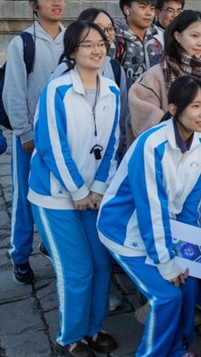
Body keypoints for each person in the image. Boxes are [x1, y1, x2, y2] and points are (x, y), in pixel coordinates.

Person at [97, 75, 201, 357]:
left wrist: (187, 254)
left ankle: (179, 347)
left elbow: (191, 203)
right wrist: (167, 263)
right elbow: (151, 208)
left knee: (190, 284)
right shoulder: (152, 145)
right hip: (125, 229)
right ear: (174, 109)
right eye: (195, 106)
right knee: (166, 296)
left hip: (166, 228)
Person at [28, 21, 120, 357]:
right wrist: (78, 191)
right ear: (71, 52)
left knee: (100, 264)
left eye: (100, 43)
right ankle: (71, 337)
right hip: (55, 196)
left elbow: (112, 144)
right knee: (76, 268)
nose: (97, 50)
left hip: (92, 196)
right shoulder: (58, 90)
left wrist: (96, 189)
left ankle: (94, 329)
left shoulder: (112, 90)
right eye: (87, 45)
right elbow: (53, 145)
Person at [4, 0, 65, 285]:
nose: (56, 3)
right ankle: (19, 255)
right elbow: (13, 91)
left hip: (65, 136)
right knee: (24, 198)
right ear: (33, 5)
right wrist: (24, 132)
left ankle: (55, 247)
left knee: (60, 196)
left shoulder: (74, 40)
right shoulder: (23, 43)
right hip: (31, 137)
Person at [127, 10, 201, 147]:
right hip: (159, 156)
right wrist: (182, 141)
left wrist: (200, 145)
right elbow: (144, 119)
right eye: (194, 36)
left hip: (200, 157)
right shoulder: (155, 75)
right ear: (177, 36)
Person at [53, 8, 128, 157]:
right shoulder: (60, 80)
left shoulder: (115, 69)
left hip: (104, 159)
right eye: (100, 29)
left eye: (110, 28)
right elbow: (53, 138)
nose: (106, 34)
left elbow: (121, 118)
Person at [113, 0, 163, 86]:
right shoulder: (116, 41)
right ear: (127, 9)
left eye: (152, 9)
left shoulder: (156, 41)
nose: (149, 13)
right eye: (142, 7)